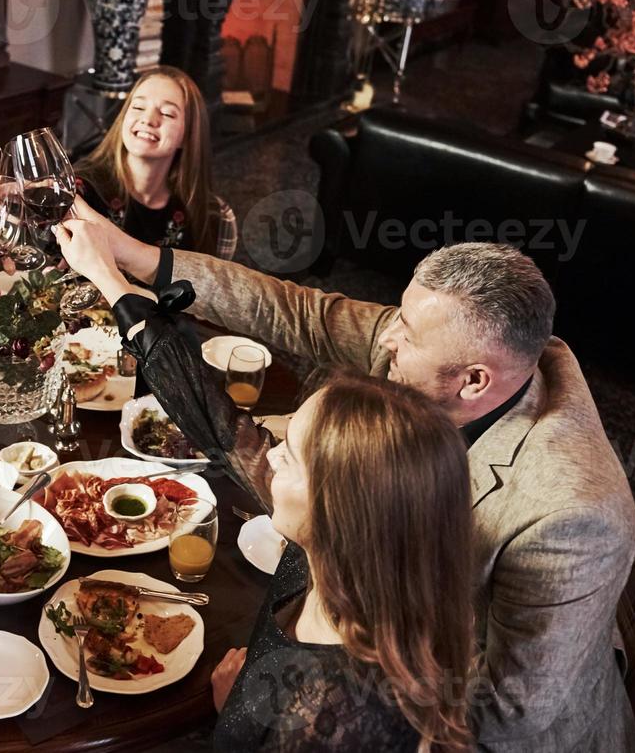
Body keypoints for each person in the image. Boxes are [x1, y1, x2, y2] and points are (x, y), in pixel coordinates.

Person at [73, 206, 635, 753]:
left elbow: (507, 711)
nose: (386, 339)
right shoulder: (437, 342)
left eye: (408, 336)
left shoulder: (573, 512)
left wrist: (276, 709)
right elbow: (297, 314)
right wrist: (136, 258)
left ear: (474, 381)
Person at [54, 220, 475, 752]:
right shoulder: (333, 557)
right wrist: (113, 285)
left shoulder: (333, 717)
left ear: (339, 508)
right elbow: (222, 427)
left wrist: (242, 721)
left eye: (290, 454)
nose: (270, 453)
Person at [73, 66, 235, 257]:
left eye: (167, 113)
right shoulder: (80, 190)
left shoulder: (215, 217)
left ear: (187, 135)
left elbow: (216, 285)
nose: (148, 119)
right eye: (139, 107)